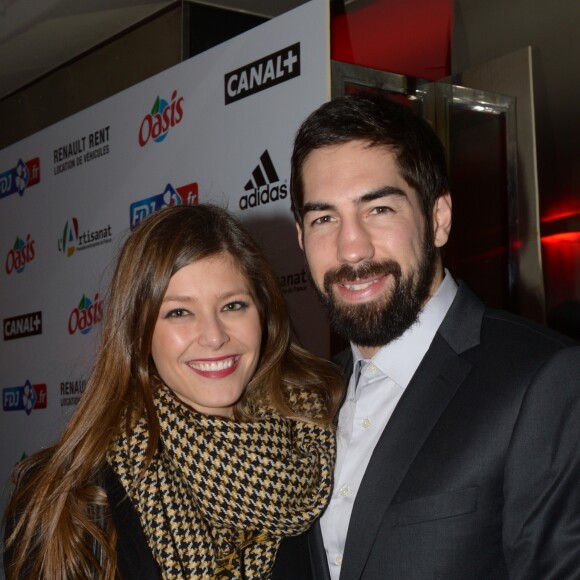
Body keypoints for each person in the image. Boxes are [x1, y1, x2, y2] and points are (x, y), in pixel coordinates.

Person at [272, 93, 580, 579]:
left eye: (379, 210)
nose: (351, 248)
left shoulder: (544, 381)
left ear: (438, 219)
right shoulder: (307, 397)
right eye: (324, 218)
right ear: (300, 237)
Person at [3, 204, 343, 579]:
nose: (215, 336)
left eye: (233, 305)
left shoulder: (315, 449)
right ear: (138, 330)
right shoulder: (66, 500)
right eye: (179, 312)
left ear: (263, 313)